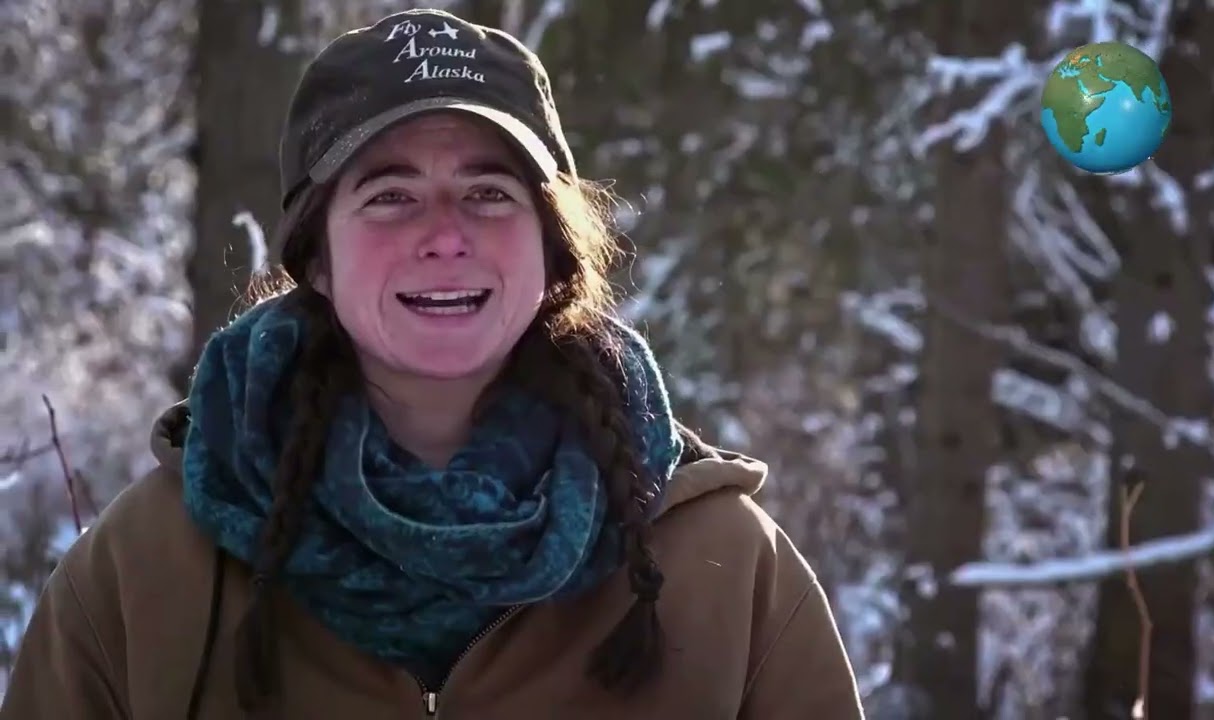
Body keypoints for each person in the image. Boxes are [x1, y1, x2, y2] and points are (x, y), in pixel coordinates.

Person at [1, 9, 863, 719]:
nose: (445, 235)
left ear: (554, 253)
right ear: (319, 258)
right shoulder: (151, 566)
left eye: (490, 193)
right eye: (391, 196)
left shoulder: (725, 568)